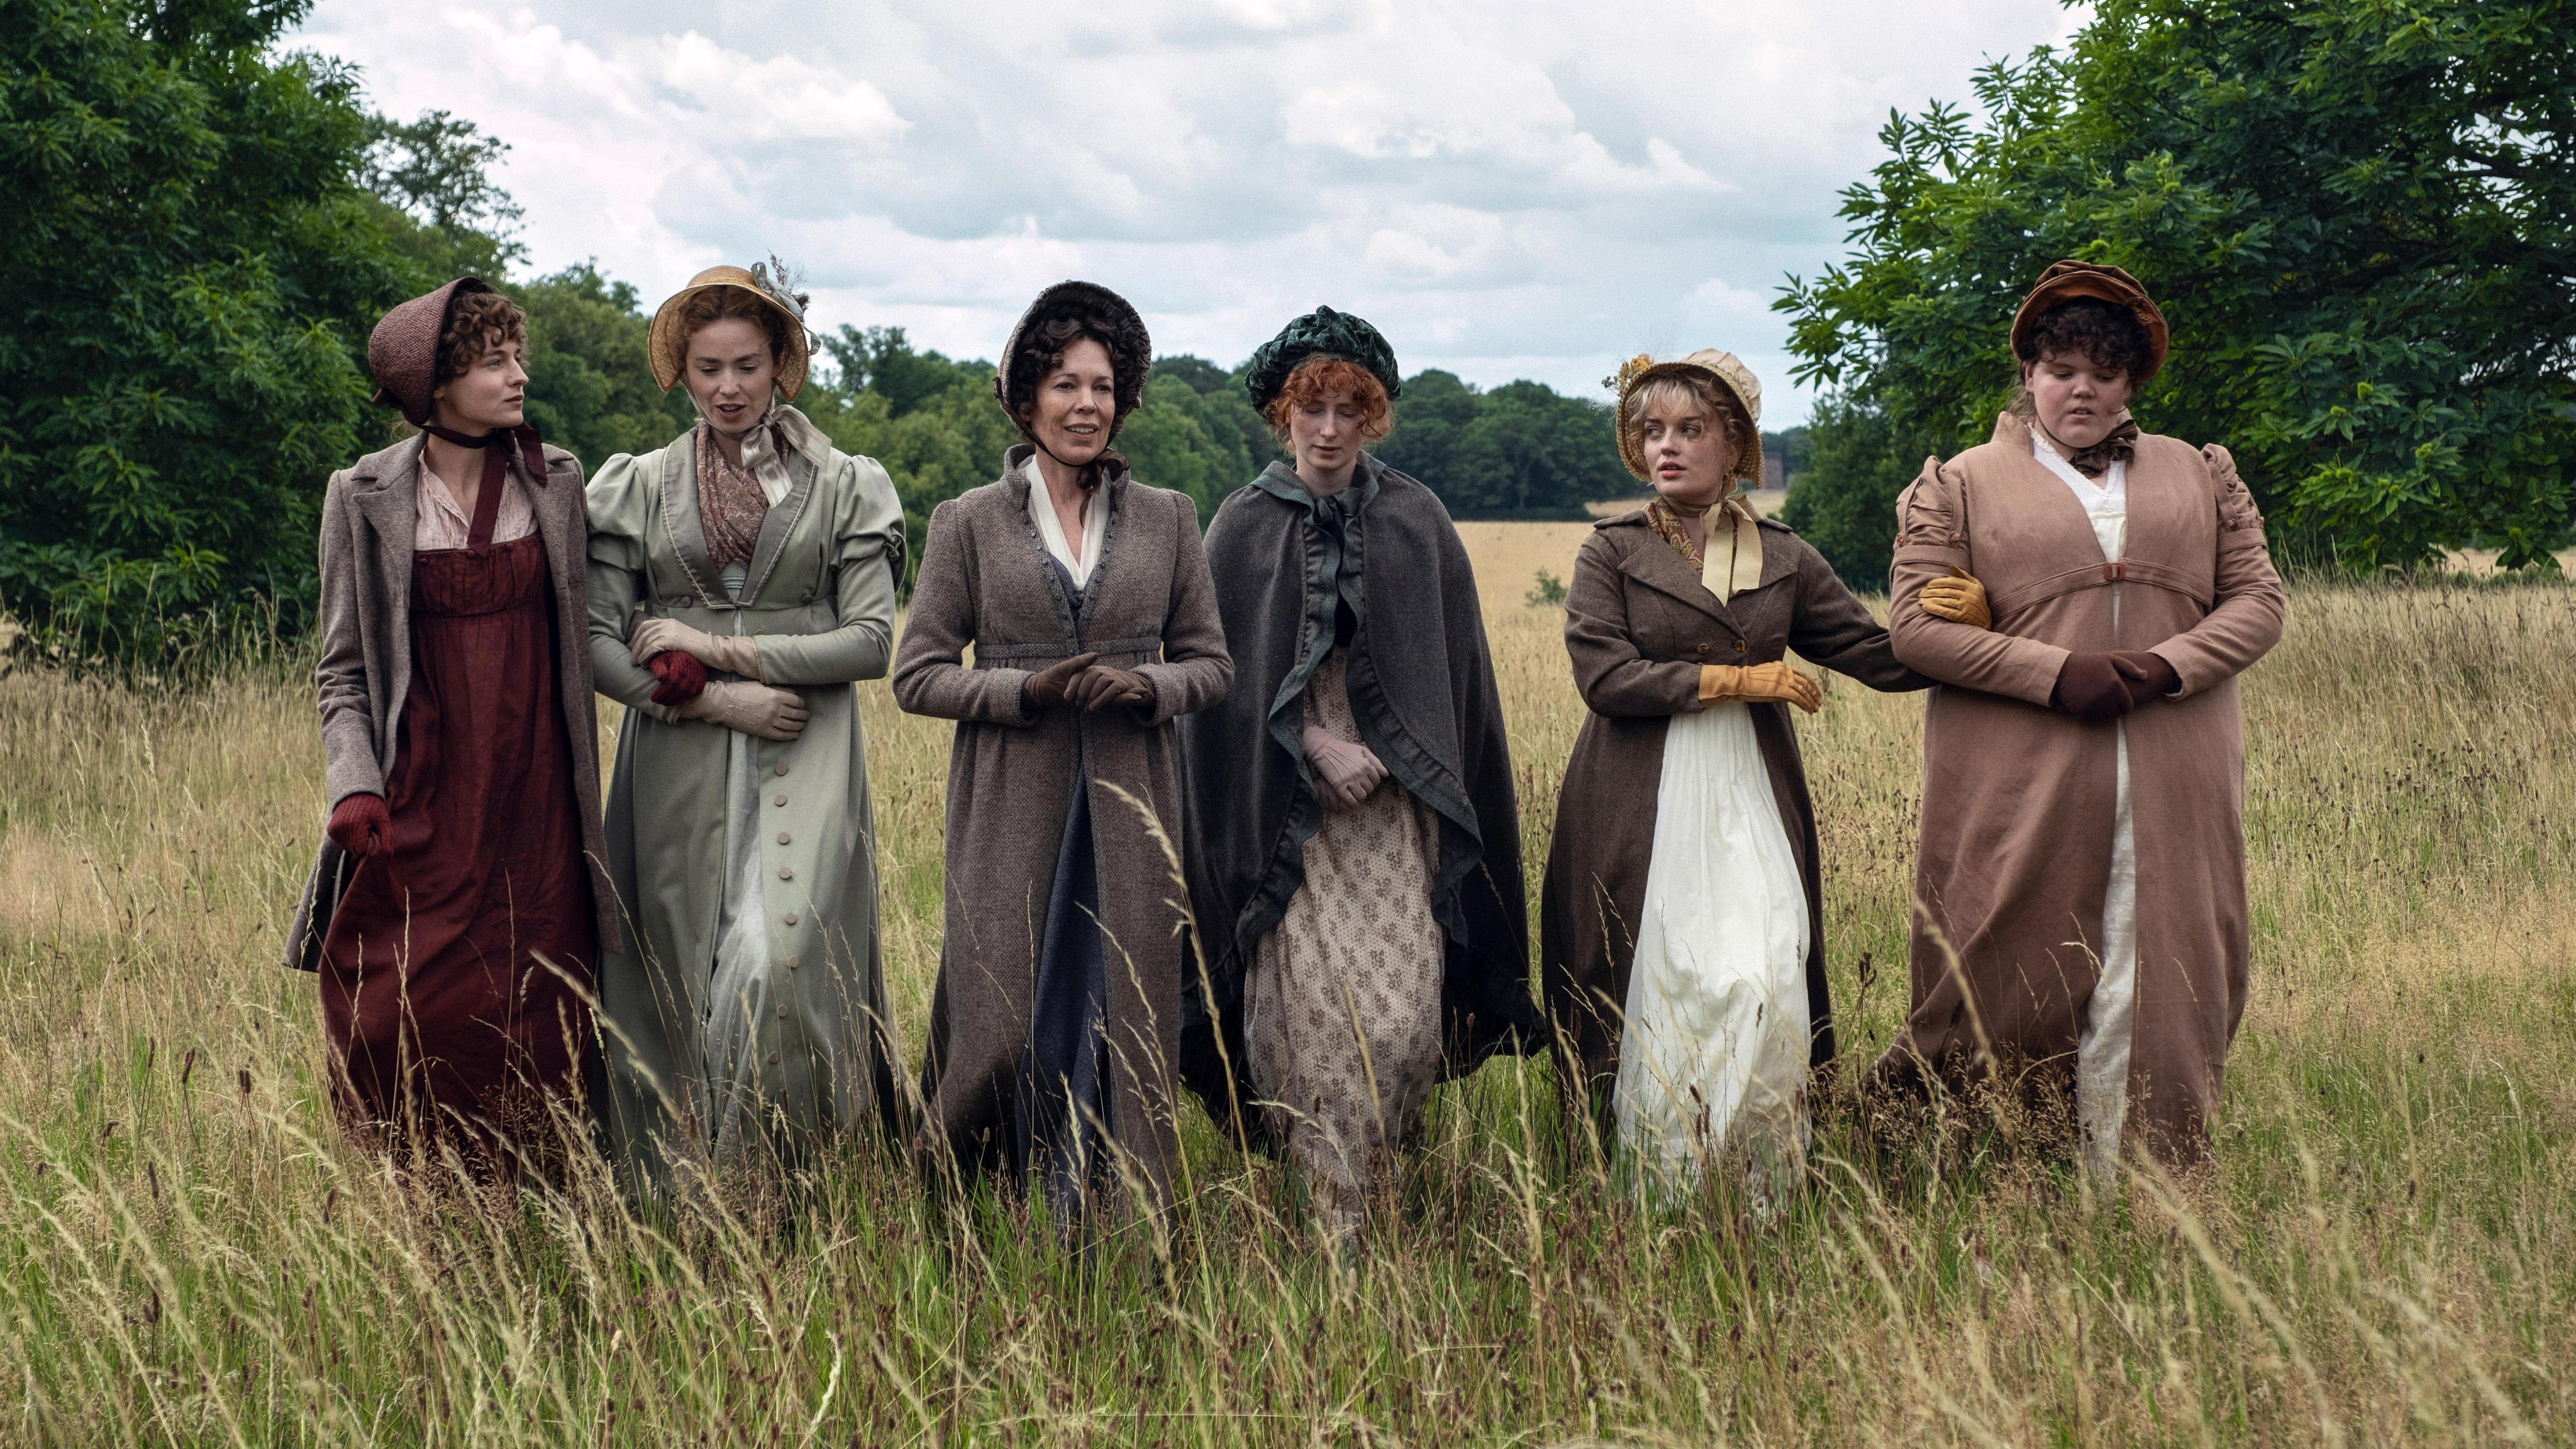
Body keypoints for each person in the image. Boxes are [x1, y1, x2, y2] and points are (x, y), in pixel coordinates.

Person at [1538, 350, 1986, 1206]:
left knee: (1768, 973)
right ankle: (1655, 1192)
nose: (1665, 447)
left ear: (1736, 442)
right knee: (1666, 982)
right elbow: (1604, 678)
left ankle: (1759, 1196)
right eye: (1652, 431)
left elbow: (1871, 655)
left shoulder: (1783, 554)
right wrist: (1734, 681)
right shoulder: (1611, 553)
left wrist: (1966, 621)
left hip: (1751, 798)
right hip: (1641, 802)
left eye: (1690, 430)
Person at [1872, 262, 2285, 1175]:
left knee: (2169, 962)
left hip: (2177, 767)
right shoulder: (1959, 484)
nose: (2081, 390)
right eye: (2061, 369)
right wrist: (2057, 675)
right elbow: (1913, 630)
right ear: (2029, 374)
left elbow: (2259, 602)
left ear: (2132, 381)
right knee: (2004, 957)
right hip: (2022, 775)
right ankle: (1995, 1168)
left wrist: (2161, 666)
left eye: (2104, 373)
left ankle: (2150, 1182)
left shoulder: (2202, 473)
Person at [1179, 307, 1541, 1236]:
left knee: (1403, 1017)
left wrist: (1395, 746)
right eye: (1314, 409)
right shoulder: (1242, 525)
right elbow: (1225, 682)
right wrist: (1309, 741)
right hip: (1287, 815)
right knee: (1310, 1020)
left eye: (1350, 409)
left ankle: (1379, 1198)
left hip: (1398, 811)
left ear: (1373, 415)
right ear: (1283, 416)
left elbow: (1453, 679)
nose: (1330, 428)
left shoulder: (1417, 517)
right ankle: (1330, 1223)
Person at [894, 280, 1231, 1224]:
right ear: (1026, 397)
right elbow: (917, 675)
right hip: (1011, 802)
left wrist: (1150, 686)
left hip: (1132, 801)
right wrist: (1024, 690)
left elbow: (1212, 665)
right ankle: (968, 1211)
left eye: (1104, 385)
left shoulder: (1169, 517)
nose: (1087, 403)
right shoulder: (966, 521)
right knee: (1001, 1020)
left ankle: (1125, 1225)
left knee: (1124, 1013)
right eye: (1065, 384)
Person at [586, 263, 908, 1193]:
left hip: (804, 745)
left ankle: (777, 1185)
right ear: (682, 375)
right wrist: (707, 698)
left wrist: (714, 647)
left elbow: (871, 642)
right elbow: (599, 644)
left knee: (779, 958)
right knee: (675, 973)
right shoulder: (636, 486)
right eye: (708, 369)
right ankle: (671, 1202)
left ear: (783, 368)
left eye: (748, 368)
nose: (729, 388)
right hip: (673, 758)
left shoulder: (846, 484)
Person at [284, 278, 615, 1177]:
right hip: (425, 785)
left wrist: (672, 656)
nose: (519, 376)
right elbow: (343, 669)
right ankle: (421, 1188)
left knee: (542, 999)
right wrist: (354, 782)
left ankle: (547, 1200)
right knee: (396, 1008)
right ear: (434, 386)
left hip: (538, 789)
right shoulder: (362, 496)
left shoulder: (559, 482)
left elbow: (614, 614)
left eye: (519, 356)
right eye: (494, 361)